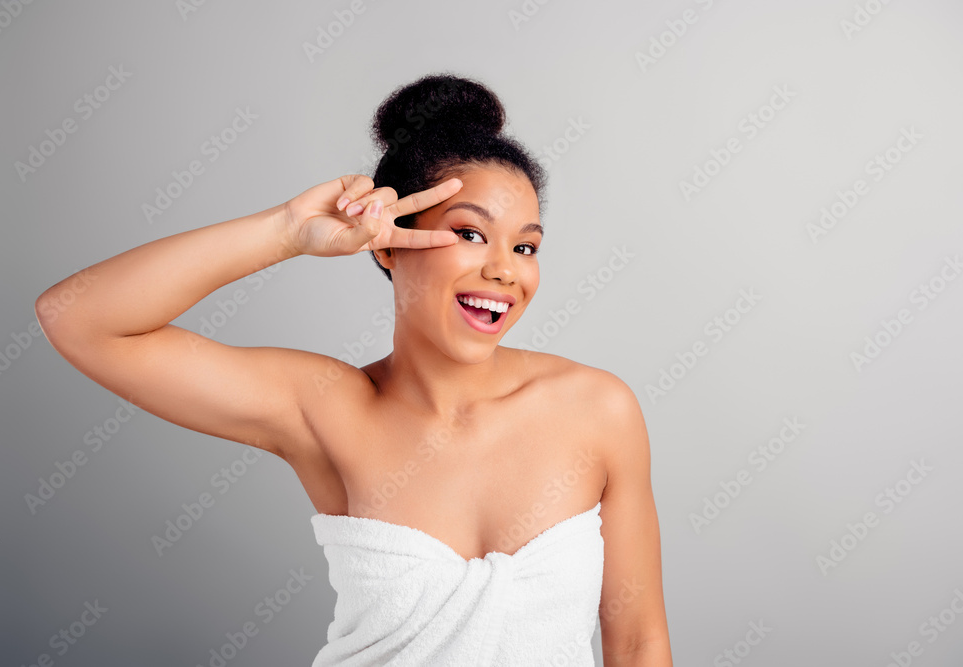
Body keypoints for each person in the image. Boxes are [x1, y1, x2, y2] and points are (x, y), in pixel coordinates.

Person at [35, 73, 673, 666]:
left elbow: (639, 639)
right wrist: (286, 230)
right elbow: (79, 319)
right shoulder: (326, 406)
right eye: (471, 234)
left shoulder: (597, 410)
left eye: (525, 246)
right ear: (389, 244)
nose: (505, 270)